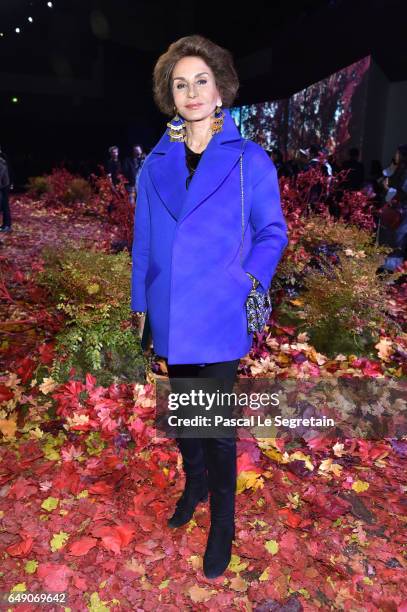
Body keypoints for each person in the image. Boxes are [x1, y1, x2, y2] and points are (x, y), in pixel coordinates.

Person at [130, 35, 289, 580]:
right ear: (169, 95)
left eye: (202, 80)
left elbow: (272, 231)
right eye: (181, 83)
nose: (192, 91)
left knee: (217, 426)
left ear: (220, 89)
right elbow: (144, 241)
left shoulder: (248, 159)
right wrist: (140, 305)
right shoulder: (155, 163)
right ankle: (193, 482)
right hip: (170, 310)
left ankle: (223, 522)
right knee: (185, 415)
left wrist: (248, 278)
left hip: (219, 314)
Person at [0, 151, 12, 232]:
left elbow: (2, 174)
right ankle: (4, 225)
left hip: (4, 185)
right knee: (3, 205)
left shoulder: (1, 160)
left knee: (5, 205)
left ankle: (7, 225)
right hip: (2, 184)